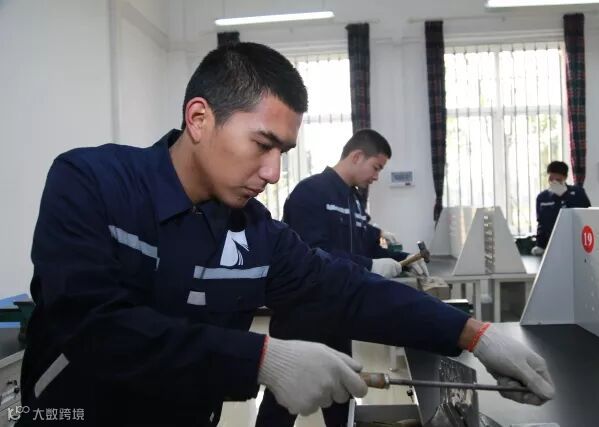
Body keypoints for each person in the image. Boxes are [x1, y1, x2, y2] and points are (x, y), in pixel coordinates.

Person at [20, 42, 554, 427]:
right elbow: (95, 328)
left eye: (284, 153)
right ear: (199, 119)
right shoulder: (91, 183)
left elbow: (345, 288)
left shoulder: (255, 233)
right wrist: (259, 358)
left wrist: (474, 335)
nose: (274, 173)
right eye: (262, 145)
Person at [256, 129, 429, 426]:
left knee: (341, 394)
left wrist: (404, 261)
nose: (377, 177)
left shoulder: (355, 200)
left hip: (338, 313)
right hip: (302, 313)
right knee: (283, 400)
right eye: (376, 167)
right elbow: (312, 252)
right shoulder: (310, 192)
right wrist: (369, 265)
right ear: (357, 156)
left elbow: (366, 246)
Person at [532, 161, 591, 255]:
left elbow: (586, 213)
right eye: (551, 178)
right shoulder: (542, 197)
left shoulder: (577, 192)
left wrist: (565, 195)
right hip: (550, 244)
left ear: (565, 177)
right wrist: (540, 245)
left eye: (557, 179)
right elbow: (541, 223)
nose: (553, 182)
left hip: (574, 242)